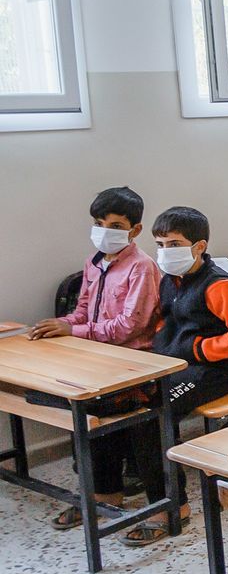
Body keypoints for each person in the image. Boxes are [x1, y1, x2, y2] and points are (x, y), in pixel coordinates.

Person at [125, 206, 228, 546]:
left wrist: (201, 349)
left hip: (214, 371)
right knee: (128, 402)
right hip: (176, 366)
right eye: (160, 244)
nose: (165, 252)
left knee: (153, 417)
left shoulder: (219, 286)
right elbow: (167, 321)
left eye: (174, 244)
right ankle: (127, 484)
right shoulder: (170, 281)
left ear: (199, 246)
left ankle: (171, 506)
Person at [29, 187, 161, 531]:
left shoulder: (142, 267)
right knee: (66, 400)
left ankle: (115, 493)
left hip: (133, 363)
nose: (104, 231)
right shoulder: (94, 262)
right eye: (99, 223)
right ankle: (105, 494)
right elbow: (84, 310)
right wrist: (61, 324)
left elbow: (129, 327)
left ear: (135, 229)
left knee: (95, 408)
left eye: (115, 225)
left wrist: (74, 331)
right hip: (97, 356)